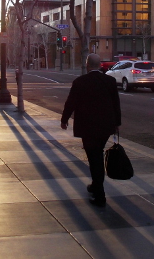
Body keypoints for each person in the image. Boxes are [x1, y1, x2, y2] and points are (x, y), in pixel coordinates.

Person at [61, 53, 121, 208]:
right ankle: (95, 185)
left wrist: (64, 119)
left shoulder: (80, 82)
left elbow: (71, 103)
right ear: (100, 65)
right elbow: (116, 104)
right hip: (105, 127)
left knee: (94, 159)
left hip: (87, 127)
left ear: (87, 65)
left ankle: (99, 195)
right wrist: (116, 124)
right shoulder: (110, 81)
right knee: (97, 154)